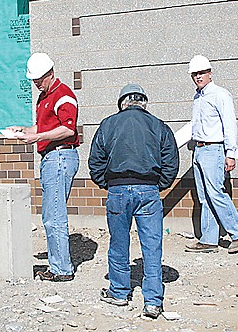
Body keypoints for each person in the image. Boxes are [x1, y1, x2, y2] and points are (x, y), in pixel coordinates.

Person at [89, 84, 179, 319]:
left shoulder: (108, 124)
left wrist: (108, 184)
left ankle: (119, 292)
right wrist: (156, 185)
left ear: (122, 103)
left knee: (119, 244)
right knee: (152, 247)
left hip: (118, 190)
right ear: (144, 103)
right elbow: (171, 163)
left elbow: (95, 161)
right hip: (149, 191)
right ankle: (152, 302)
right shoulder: (159, 125)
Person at [9, 52, 80, 282]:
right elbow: (42, 126)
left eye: (39, 79)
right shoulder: (45, 97)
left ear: (51, 73)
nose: (36, 83)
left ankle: (61, 269)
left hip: (59, 157)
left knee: (54, 215)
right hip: (53, 157)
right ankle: (58, 265)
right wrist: (24, 130)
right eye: (33, 80)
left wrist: (37, 135)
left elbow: (68, 129)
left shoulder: (63, 95)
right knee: (51, 213)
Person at [185, 55, 238, 253]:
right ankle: (209, 239)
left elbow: (230, 125)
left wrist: (231, 153)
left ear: (210, 73)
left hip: (214, 149)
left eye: (201, 73)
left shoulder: (220, 95)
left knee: (215, 193)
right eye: (195, 74)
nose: (198, 77)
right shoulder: (198, 97)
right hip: (200, 149)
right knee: (204, 196)